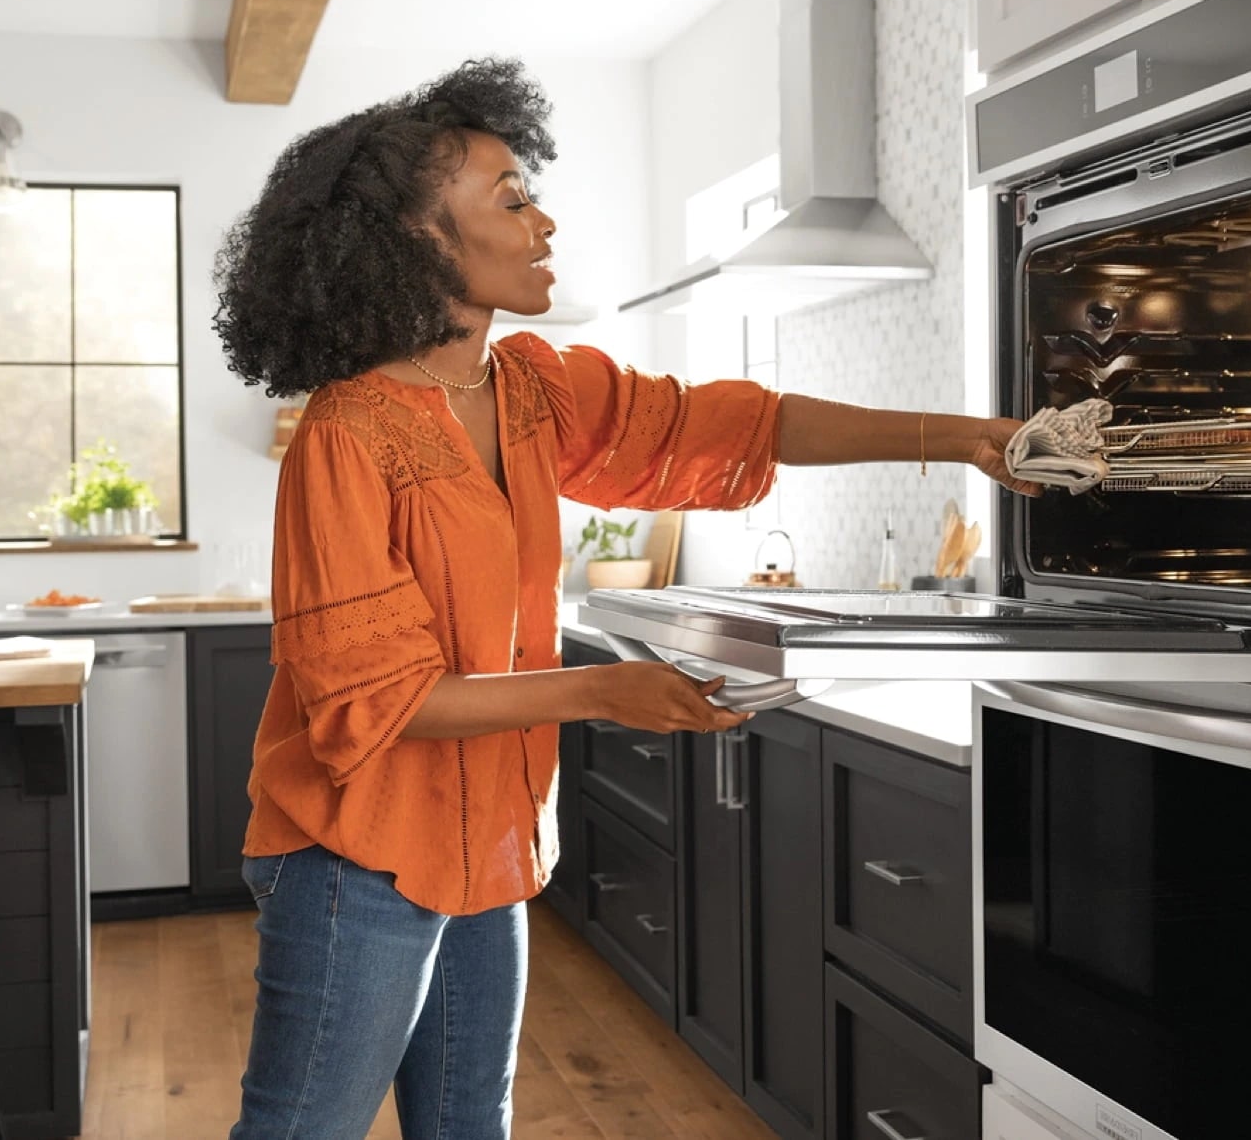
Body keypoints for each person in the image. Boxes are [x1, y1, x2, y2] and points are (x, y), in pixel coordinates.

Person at [213, 57, 1036, 1140]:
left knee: (471, 1126)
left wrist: (963, 438)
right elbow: (377, 705)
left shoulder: (532, 389)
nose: (542, 219)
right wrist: (605, 690)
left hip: (490, 847)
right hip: (351, 860)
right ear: (416, 239)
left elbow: (738, 424)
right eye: (510, 198)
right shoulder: (345, 437)